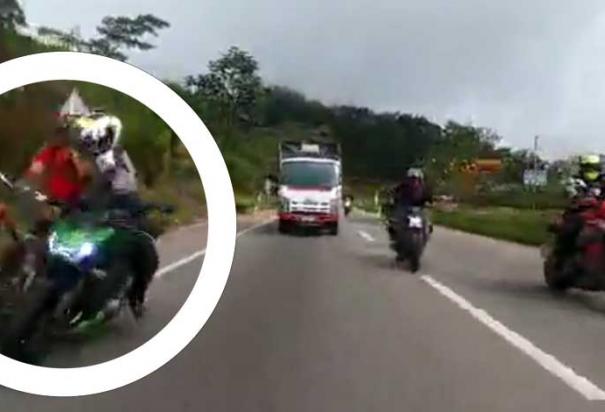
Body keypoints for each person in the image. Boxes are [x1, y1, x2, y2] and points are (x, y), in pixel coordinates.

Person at [72, 113, 156, 318]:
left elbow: (110, 183)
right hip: (98, 204)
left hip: (124, 204)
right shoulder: (87, 156)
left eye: (94, 140)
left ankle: (136, 297)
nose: (91, 145)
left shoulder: (114, 156)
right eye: (89, 141)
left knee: (146, 252)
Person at [554, 154, 605, 276]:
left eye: (594, 167)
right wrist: (579, 200)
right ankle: (562, 258)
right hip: (578, 212)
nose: (591, 171)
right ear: (582, 168)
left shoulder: (603, 181)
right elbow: (570, 194)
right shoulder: (576, 181)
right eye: (588, 168)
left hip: (599, 213)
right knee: (570, 229)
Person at [387, 168, 433, 240]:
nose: (414, 181)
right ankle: (396, 234)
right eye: (412, 179)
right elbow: (394, 192)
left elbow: (429, 197)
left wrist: (429, 203)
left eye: (416, 179)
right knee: (396, 219)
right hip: (405, 206)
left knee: (427, 219)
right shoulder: (403, 186)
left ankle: (425, 234)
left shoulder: (423, 188)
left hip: (419, 208)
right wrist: (393, 199)